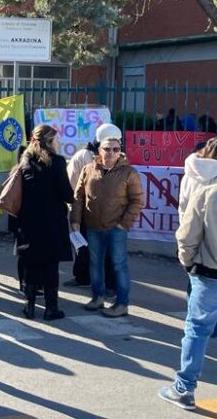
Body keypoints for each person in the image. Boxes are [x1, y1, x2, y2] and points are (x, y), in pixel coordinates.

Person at [158, 180, 217, 410]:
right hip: (210, 272)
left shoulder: (208, 192)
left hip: (211, 273)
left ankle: (184, 388)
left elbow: (187, 235)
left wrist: (187, 262)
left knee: (197, 329)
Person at [71, 135, 143, 317]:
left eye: (116, 149)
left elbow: (137, 201)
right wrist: (75, 221)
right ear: (99, 150)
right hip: (93, 227)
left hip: (116, 228)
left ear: (120, 152)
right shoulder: (88, 169)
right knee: (95, 264)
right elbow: (79, 197)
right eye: (107, 148)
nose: (111, 152)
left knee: (118, 265)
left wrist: (123, 225)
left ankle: (122, 303)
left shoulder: (129, 173)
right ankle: (98, 298)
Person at [16, 125, 74, 321]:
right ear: (49, 141)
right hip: (52, 222)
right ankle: (51, 308)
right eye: (56, 139)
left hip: (29, 220)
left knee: (31, 263)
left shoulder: (25, 161)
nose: (58, 142)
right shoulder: (57, 162)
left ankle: (29, 306)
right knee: (51, 265)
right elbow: (66, 194)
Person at [65, 123, 122, 290]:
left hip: (96, 209)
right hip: (88, 208)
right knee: (87, 245)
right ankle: (86, 278)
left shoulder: (99, 157)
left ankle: (87, 278)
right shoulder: (88, 157)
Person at [180, 138, 217, 221]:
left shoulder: (188, 174)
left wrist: (184, 224)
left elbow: (183, 204)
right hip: (215, 228)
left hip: (191, 224)